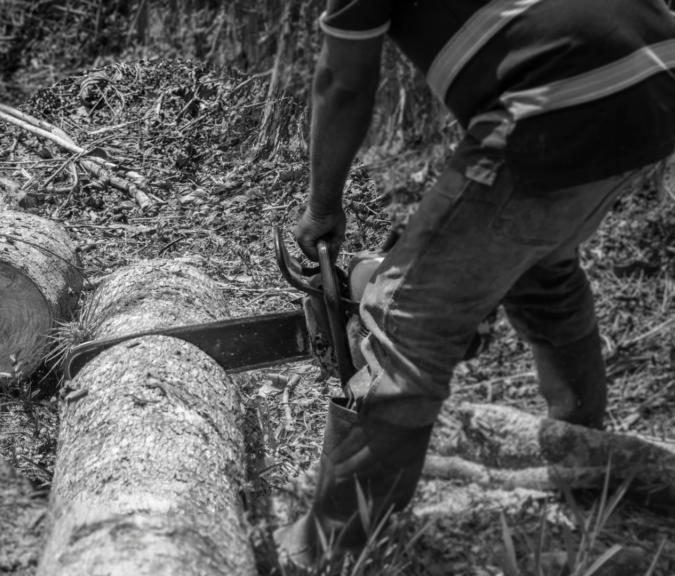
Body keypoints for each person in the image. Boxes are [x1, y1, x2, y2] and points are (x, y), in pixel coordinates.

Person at [277, 0, 675, 568]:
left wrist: (321, 207)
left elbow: (342, 82)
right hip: (658, 73)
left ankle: (332, 546)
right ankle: (580, 450)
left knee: (403, 317)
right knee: (544, 267)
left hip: (558, 98)